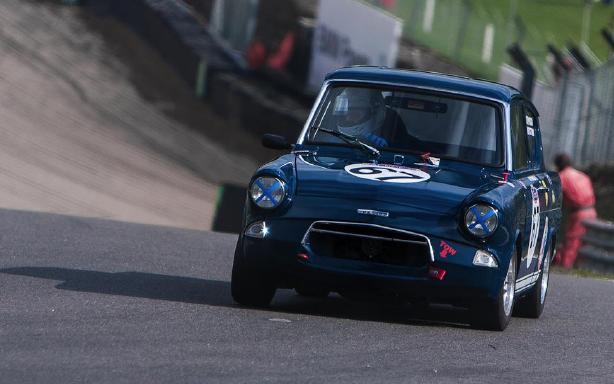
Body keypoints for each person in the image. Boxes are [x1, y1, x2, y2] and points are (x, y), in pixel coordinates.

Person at [554, 153, 597, 268]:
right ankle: (580, 268)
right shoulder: (582, 175)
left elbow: (555, 195)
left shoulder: (562, 176)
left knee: (571, 242)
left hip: (579, 213)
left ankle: (565, 268)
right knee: (584, 244)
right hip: (591, 211)